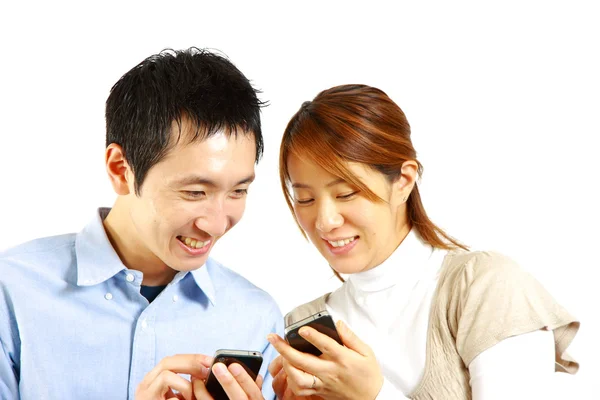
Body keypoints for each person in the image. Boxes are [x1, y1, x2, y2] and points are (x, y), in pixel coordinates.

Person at [0, 48, 283, 400]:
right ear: (121, 169)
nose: (216, 224)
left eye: (239, 190)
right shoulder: (12, 290)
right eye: (195, 192)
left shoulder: (257, 320)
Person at [266, 84, 580, 399]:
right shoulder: (304, 326)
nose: (324, 221)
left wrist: (373, 395)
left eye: (346, 193)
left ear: (403, 181)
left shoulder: (487, 288)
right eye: (304, 198)